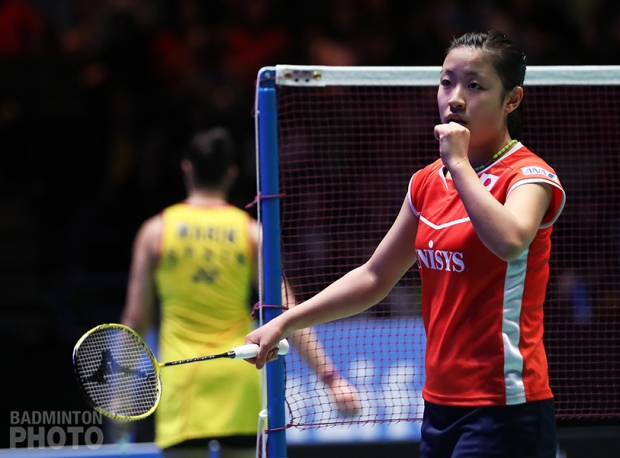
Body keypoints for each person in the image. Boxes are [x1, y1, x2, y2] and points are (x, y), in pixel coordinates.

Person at [244, 30, 565, 458]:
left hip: (506, 404)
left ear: (512, 100)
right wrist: (285, 323)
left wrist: (458, 162)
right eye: (447, 82)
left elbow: (509, 242)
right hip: (439, 404)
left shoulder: (529, 177)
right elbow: (375, 276)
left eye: (475, 85)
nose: (455, 99)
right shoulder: (427, 183)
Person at [120, 127, 361, 458]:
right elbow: (286, 311)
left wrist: (120, 395)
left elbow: (136, 319)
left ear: (187, 168)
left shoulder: (155, 232)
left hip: (182, 381)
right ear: (231, 173)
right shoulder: (251, 232)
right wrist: (330, 378)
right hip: (239, 374)